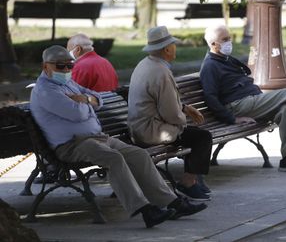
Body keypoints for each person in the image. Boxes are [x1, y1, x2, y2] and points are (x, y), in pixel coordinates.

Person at [30, 45, 207, 228]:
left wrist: (87, 100)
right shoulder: (46, 91)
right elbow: (78, 114)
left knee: (139, 155)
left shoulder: (67, 83)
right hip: (72, 145)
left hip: (97, 138)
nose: (67, 70)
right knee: (114, 158)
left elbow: (98, 98)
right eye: (61, 66)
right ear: (46, 67)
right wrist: (88, 102)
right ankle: (146, 211)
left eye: (70, 66)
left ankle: (173, 203)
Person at [200, 24, 286, 173]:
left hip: (251, 101)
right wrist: (232, 119)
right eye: (225, 39)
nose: (229, 42)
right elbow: (210, 98)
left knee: (285, 110)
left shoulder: (225, 59)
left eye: (230, 38)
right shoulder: (210, 66)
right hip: (237, 106)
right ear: (214, 44)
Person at [128, 26, 213, 201]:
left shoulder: (145, 64)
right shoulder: (161, 72)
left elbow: (165, 104)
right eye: (173, 44)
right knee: (202, 137)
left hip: (139, 127)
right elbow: (171, 114)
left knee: (194, 135)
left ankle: (193, 182)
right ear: (167, 49)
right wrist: (183, 121)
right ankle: (188, 184)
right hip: (151, 131)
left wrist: (184, 108)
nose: (175, 47)